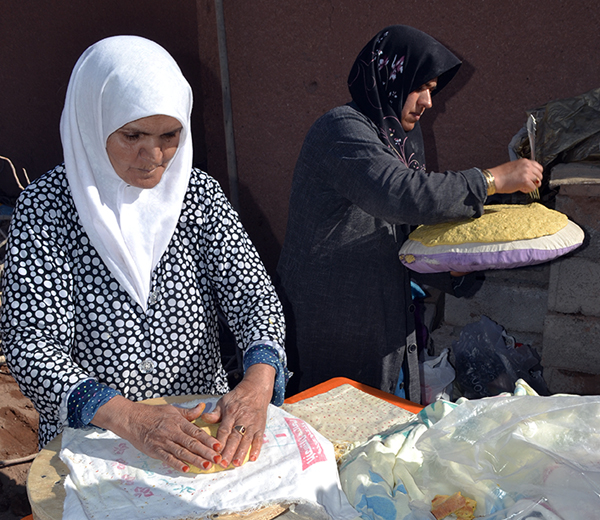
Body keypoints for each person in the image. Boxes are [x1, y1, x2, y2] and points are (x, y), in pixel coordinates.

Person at [0, 36, 288, 473]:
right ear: (91, 124)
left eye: (169, 135)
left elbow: (254, 299)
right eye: (132, 135)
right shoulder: (48, 209)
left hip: (201, 433)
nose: (154, 156)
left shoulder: (198, 196)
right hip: (96, 440)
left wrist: (256, 382)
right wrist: (128, 416)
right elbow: (32, 342)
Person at [276, 25, 543, 402]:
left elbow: (408, 228)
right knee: (331, 428)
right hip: (333, 320)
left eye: (432, 90)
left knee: (378, 433)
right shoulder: (341, 129)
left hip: (384, 317)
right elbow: (399, 194)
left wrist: (450, 267)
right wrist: (491, 179)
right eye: (421, 88)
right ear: (389, 78)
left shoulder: (396, 140)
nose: (428, 102)